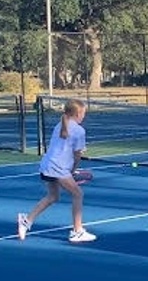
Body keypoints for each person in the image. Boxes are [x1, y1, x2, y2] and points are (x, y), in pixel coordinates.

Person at [18, 99, 97, 243]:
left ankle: (26, 221)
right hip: (58, 168)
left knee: (53, 197)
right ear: (78, 113)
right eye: (83, 113)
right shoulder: (79, 131)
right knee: (78, 194)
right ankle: (77, 231)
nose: (84, 116)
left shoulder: (60, 125)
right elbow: (77, 155)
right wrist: (73, 170)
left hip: (47, 165)